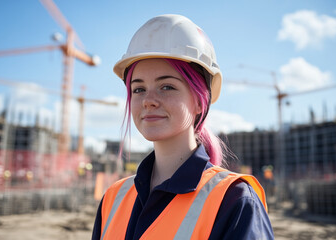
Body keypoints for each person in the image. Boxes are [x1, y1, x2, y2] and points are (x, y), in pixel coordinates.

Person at [92, 14, 274, 239]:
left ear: (200, 101)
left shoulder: (235, 200)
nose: (149, 100)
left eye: (166, 86)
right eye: (138, 89)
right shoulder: (113, 198)